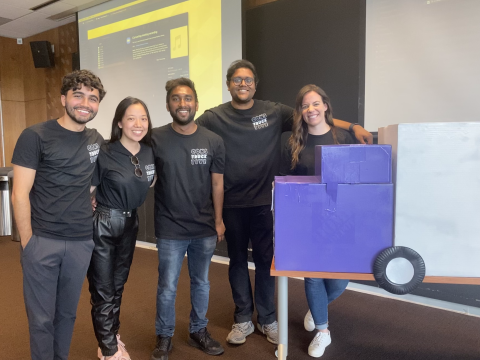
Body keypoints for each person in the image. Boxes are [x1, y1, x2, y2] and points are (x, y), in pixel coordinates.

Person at [196, 60, 372, 346]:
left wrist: (354, 126)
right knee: (238, 261)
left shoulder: (272, 111)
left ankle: (267, 319)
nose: (243, 84)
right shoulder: (215, 116)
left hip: (266, 201)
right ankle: (242, 320)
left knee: (267, 262)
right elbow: (188, 128)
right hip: (232, 202)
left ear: (255, 83)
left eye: (248, 79)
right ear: (228, 84)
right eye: (237, 80)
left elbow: (314, 117)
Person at [11, 70, 106, 360]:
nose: (85, 103)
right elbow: (20, 193)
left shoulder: (96, 139)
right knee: (41, 319)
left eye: (93, 98)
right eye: (78, 95)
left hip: (80, 242)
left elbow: (88, 182)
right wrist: (29, 243)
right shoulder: (35, 135)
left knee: (66, 315)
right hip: (43, 241)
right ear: (63, 98)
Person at [150, 78, 226, 360]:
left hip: (204, 227)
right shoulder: (155, 137)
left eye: (188, 98)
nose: (183, 104)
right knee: (167, 286)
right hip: (170, 228)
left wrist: (218, 221)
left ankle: (198, 331)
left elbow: (217, 184)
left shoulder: (213, 141)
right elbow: (147, 177)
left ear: (196, 103)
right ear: (168, 104)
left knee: (201, 283)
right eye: (176, 98)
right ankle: (164, 336)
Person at [280, 84, 353, 358]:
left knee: (340, 280)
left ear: (325, 106)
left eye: (315, 104)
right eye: (304, 105)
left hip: (341, 219)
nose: (310, 109)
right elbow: (285, 184)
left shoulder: (343, 137)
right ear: (300, 111)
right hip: (307, 221)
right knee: (313, 276)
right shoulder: (293, 142)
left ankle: (317, 306)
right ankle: (323, 331)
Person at [88, 97, 156, 360]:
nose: (138, 124)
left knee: (118, 285)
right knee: (103, 289)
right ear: (119, 122)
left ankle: (111, 335)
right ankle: (108, 349)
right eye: (131, 118)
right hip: (104, 223)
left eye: (143, 118)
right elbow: (87, 190)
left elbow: (149, 182)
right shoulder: (105, 151)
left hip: (130, 224)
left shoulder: (149, 150)